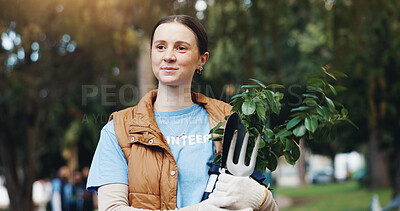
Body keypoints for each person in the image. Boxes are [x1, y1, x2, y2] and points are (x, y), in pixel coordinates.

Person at [86, 15, 278, 211]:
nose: (168, 56)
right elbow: (112, 208)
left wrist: (262, 199)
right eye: (160, 47)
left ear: (202, 60)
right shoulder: (118, 130)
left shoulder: (230, 121)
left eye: (181, 48)